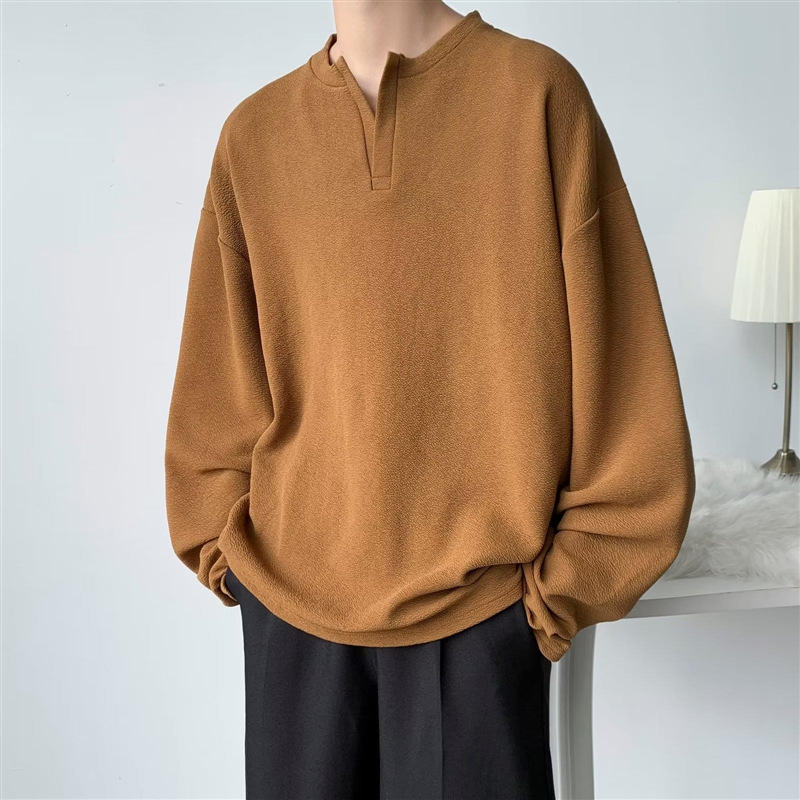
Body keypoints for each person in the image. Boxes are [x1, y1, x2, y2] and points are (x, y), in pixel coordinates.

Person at [165, 2, 696, 797]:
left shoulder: (536, 95)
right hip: (291, 621)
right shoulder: (256, 134)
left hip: (482, 619)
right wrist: (231, 562)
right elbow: (216, 392)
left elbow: (626, 383)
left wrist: (553, 598)